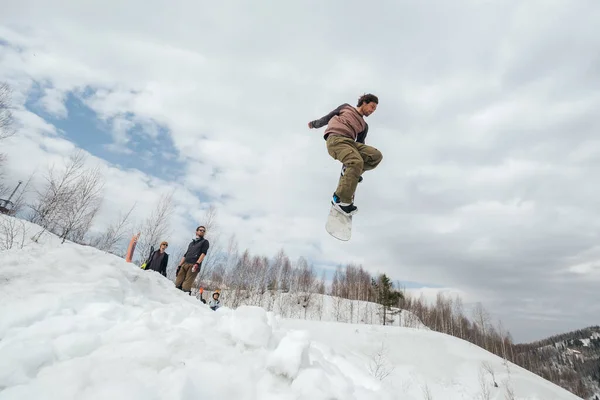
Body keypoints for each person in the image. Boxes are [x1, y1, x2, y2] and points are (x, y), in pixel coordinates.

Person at [308, 93, 383, 216]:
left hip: (350, 144)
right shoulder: (346, 108)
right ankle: (340, 200)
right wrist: (314, 124)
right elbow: (328, 118)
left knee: (375, 156)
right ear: (364, 103)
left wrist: (356, 169)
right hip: (336, 139)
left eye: (375, 109)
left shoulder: (364, 126)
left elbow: (360, 143)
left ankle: (350, 172)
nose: (372, 111)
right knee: (355, 162)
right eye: (372, 107)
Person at [175, 226, 210, 295]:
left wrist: (197, 263)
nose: (202, 231)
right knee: (177, 283)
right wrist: (179, 266)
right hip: (185, 264)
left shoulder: (205, 242)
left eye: (204, 231)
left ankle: (184, 299)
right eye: (200, 230)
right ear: (196, 231)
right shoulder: (191, 243)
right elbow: (185, 254)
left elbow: (203, 253)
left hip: (193, 265)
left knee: (186, 286)